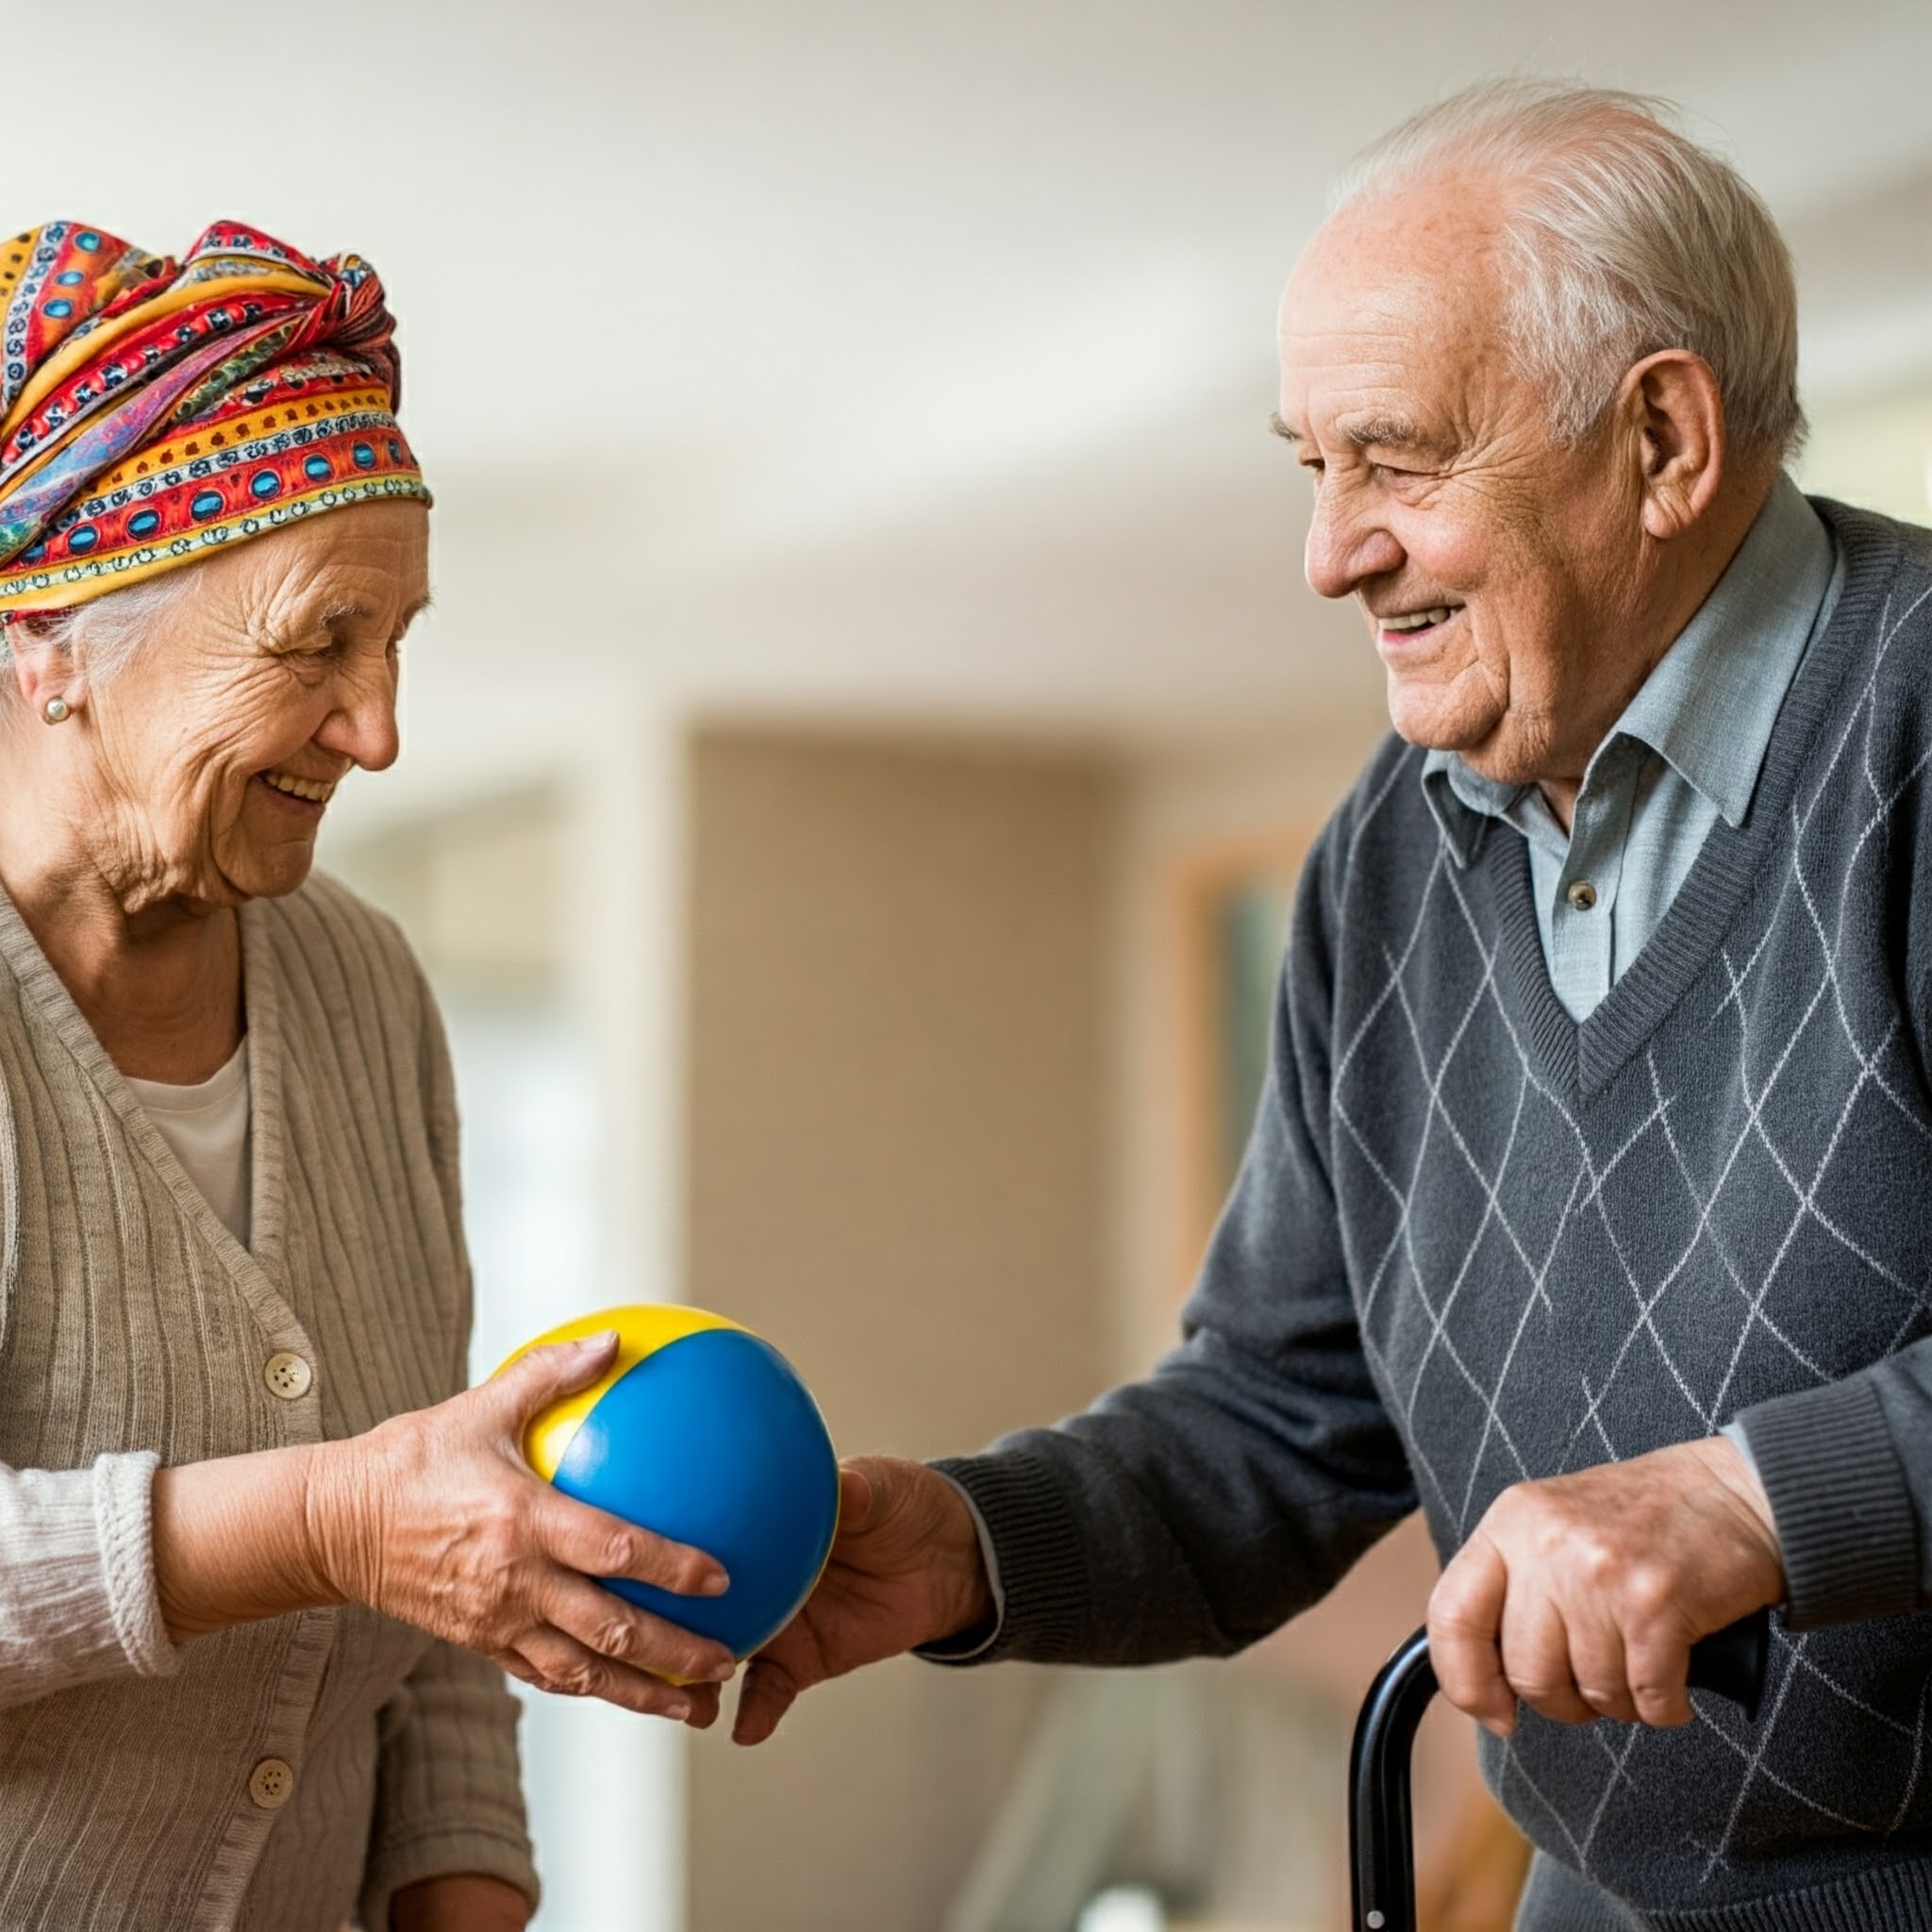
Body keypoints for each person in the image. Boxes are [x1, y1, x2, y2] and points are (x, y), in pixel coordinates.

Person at [735, 82, 1932, 1930]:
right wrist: (968, 1547)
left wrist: (1755, 1499)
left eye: (1400, 460)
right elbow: (1278, 1419)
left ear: (1665, 440)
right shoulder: (1392, 849)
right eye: (1313, 466)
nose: (1328, 553)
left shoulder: (1913, 734)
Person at [0, 221, 741, 1932]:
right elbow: (379, 1520)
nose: (379, 727)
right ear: (51, 649)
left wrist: (467, 1891)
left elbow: (434, 1590)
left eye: (399, 639)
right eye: (317, 641)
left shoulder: (363, 986)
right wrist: (330, 1518)